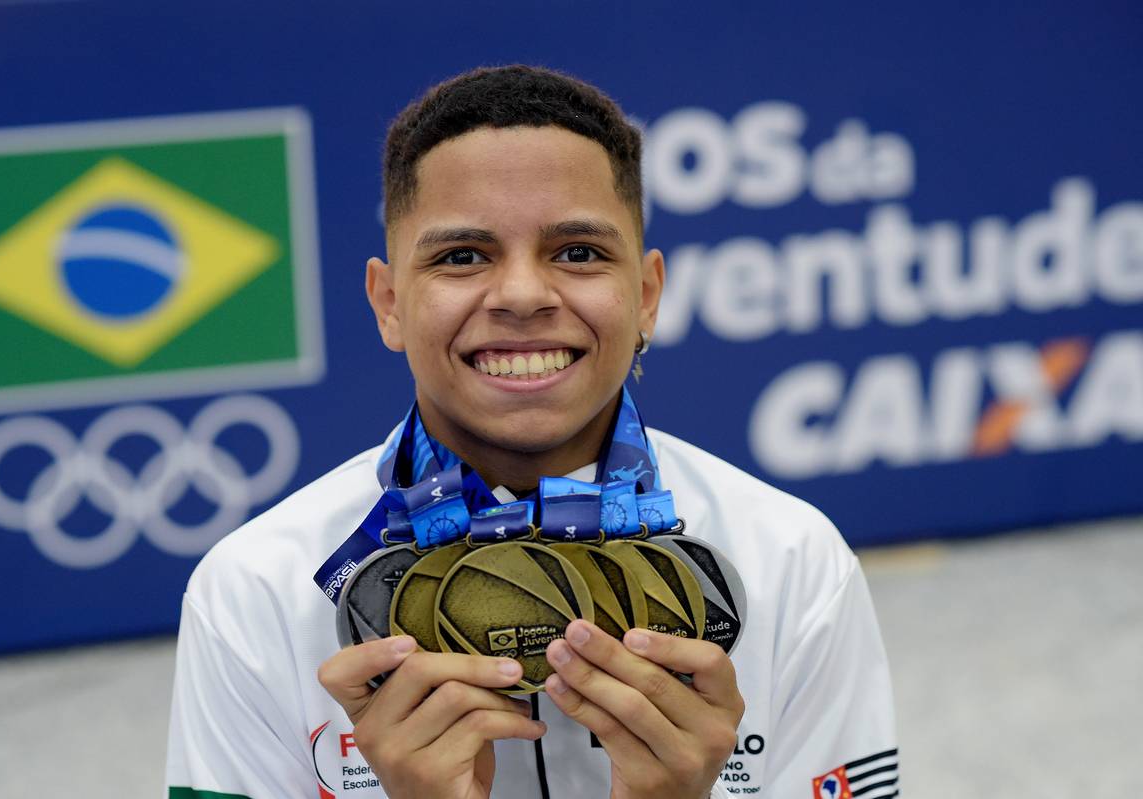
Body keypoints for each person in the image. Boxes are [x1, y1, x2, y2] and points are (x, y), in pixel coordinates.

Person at [166, 65, 899, 799]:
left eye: (577, 252)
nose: (522, 295)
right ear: (389, 303)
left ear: (646, 295)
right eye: (463, 256)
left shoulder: (794, 565)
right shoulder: (253, 593)